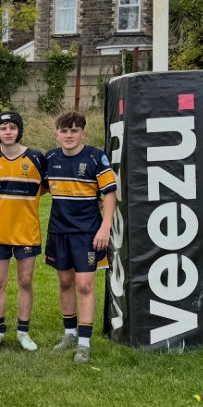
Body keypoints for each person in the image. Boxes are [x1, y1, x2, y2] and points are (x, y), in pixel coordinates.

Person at [43, 110, 117, 365]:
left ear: (83, 134)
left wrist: (105, 227)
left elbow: (109, 193)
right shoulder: (50, 158)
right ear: (57, 134)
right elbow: (39, 187)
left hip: (87, 232)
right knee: (65, 282)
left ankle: (84, 344)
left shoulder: (96, 157)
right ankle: (70, 334)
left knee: (84, 284)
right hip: (58, 230)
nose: (69, 135)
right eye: (64, 131)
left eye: (74, 131)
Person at [0, 111, 46, 352]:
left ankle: (23, 332)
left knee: (25, 281)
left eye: (12, 127)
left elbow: (51, 186)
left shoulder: (36, 158)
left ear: (19, 130)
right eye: (3, 128)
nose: (8, 132)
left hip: (27, 231)